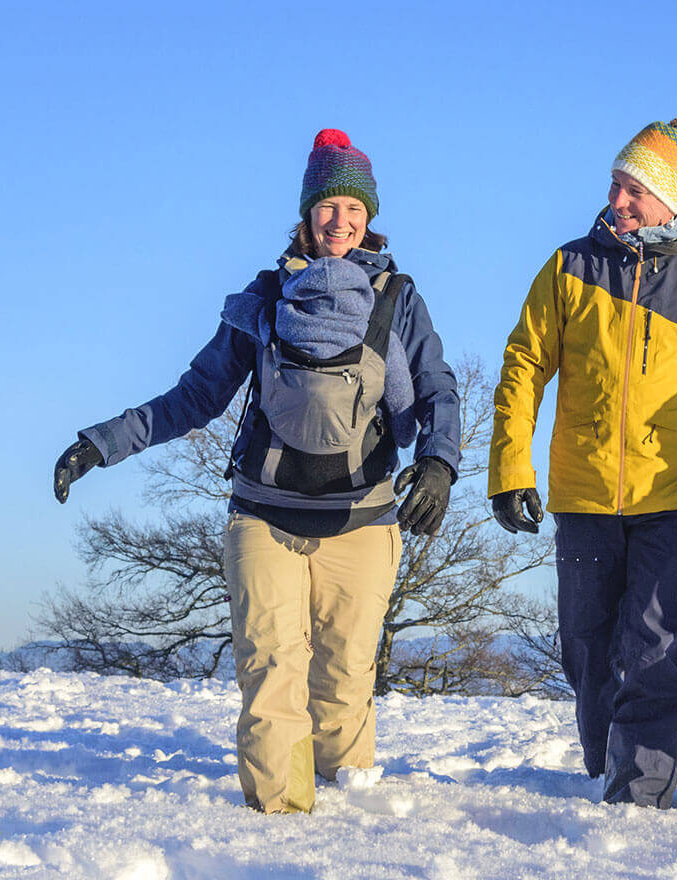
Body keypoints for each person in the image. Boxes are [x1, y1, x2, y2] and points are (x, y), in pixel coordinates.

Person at [51, 129, 460, 814]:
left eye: (353, 208)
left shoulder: (400, 299)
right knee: (272, 674)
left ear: (370, 216)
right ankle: (279, 832)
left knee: (347, 681)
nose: (340, 221)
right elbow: (195, 396)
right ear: (307, 214)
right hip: (264, 519)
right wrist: (101, 443)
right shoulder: (264, 299)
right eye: (327, 206)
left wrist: (439, 462)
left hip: (362, 522)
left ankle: (354, 829)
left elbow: (436, 389)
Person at [488, 117, 677, 808]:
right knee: (586, 646)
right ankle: (604, 759)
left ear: (671, 199)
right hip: (582, 494)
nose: (619, 200)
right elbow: (523, 368)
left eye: (635, 189)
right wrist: (510, 469)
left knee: (653, 648)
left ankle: (637, 795)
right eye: (616, 183)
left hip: (670, 496)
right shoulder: (569, 266)